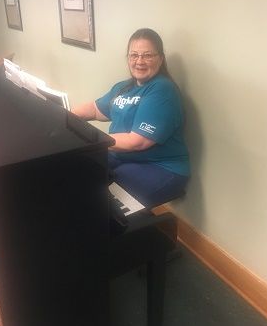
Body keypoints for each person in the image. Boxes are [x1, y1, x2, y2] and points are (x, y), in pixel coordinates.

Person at [72, 28, 190, 208]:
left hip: (160, 166)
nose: (139, 61)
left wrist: (91, 139)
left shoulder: (162, 90)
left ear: (161, 58)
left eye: (147, 55)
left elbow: (137, 142)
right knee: (77, 171)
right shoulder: (124, 87)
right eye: (134, 55)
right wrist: (65, 116)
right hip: (123, 157)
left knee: (101, 200)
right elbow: (95, 109)